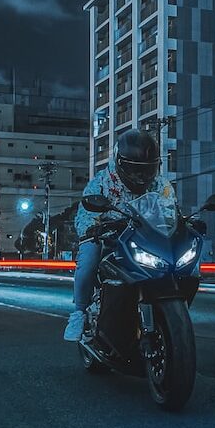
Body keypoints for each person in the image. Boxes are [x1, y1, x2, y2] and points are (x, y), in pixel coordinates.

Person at [64, 129, 175, 341]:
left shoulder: (161, 185)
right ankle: (79, 313)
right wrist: (92, 228)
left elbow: (170, 211)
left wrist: (183, 223)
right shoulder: (102, 182)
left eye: (147, 169)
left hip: (145, 237)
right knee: (88, 259)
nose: (141, 176)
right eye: (135, 169)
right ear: (120, 163)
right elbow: (86, 213)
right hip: (108, 236)